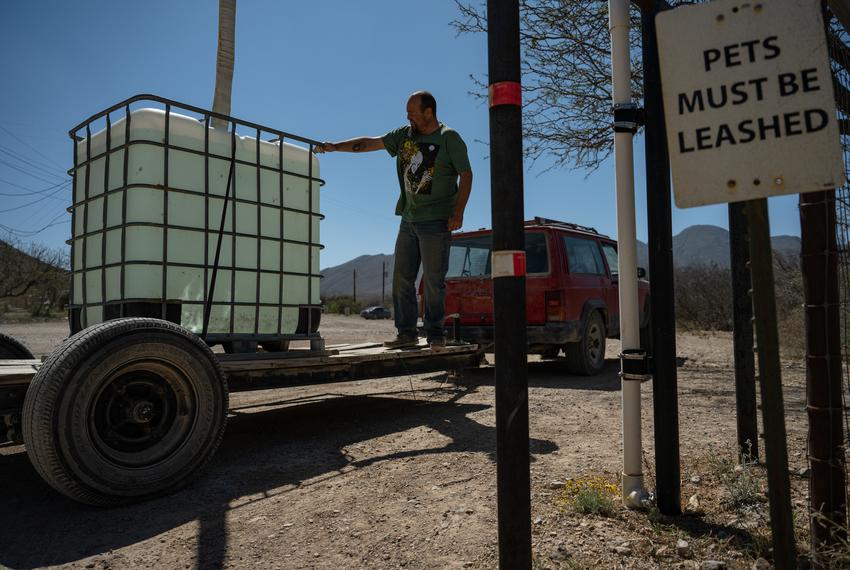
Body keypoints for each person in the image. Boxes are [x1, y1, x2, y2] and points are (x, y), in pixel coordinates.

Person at [315, 91, 473, 350]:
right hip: (409, 220)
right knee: (401, 280)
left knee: (433, 281)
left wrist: (458, 213)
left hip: (436, 221)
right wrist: (336, 146)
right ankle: (406, 333)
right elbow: (370, 143)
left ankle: (435, 334)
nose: (408, 117)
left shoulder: (449, 138)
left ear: (429, 112)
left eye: (413, 113)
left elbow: (466, 175)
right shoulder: (404, 135)